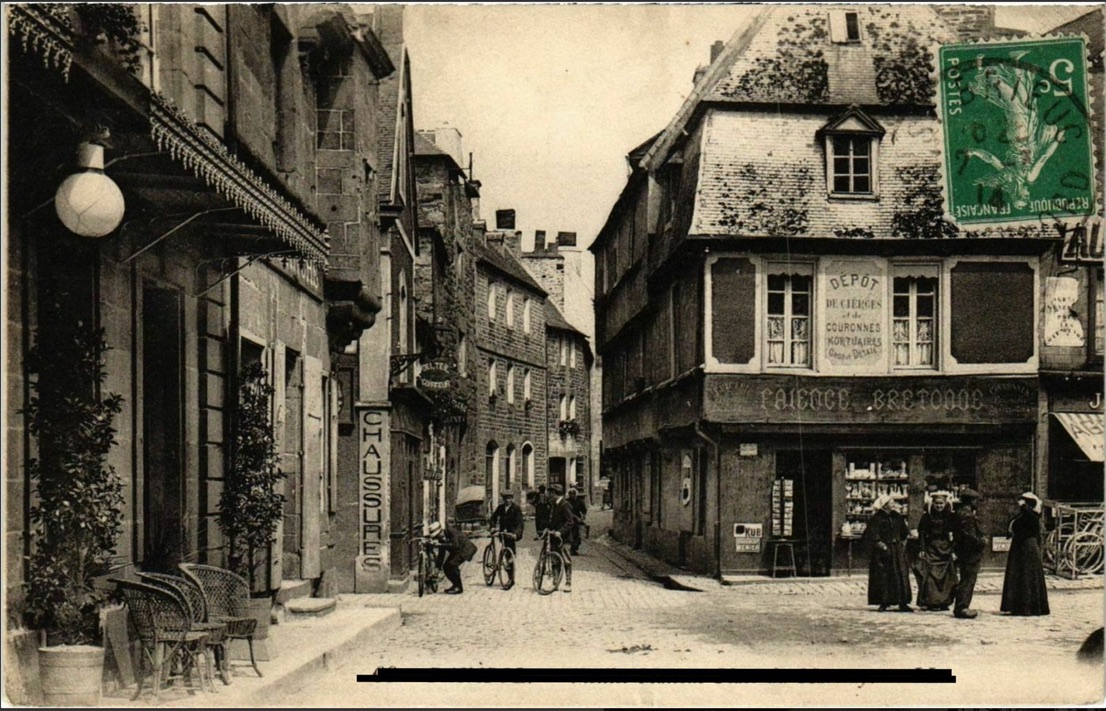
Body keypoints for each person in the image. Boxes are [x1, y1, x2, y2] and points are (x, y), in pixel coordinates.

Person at [1000, 492, 1050, 616]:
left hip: (1027, 548)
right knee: (1022, 575)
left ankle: (1027, 607)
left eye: (1023, 502)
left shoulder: (1031, 516)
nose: (1020, 503)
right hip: (1021, 547)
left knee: (1027, 575)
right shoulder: (1025, 515)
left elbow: (1021, 526)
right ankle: (1020, 606)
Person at [864, 494, 913, 612]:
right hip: (883, 551)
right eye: (891, 503)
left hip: (897, 549)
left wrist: (902, 544)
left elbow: (904, 532)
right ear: (885, 505)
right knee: (884, 576)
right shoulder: (877, 518)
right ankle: (884, 602)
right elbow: (872, 535)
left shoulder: (897, 516)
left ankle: (903, 602)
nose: (894, 504)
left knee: (901, 575)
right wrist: (883, 546)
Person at [915, 490, 958, 611]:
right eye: (937, 503)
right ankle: (931, 601)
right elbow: (922, 534)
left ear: (945, 503)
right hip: (931, 547)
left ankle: (944, 602)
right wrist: (922, 549)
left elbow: (956, 534)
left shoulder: (951, 516)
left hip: (945, 547)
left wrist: (954, 550)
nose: (939, 506)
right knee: (930, 576)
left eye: (941, 503)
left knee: (946, 577)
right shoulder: (926, 517)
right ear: (932, 503)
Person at [952, 488, 986, 619]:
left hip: (963, 551)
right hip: (969, 553)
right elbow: (970, 536)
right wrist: (982, 541)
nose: (977, 502)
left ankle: (961, 606)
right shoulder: (967, 515)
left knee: (965, 579)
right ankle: (962, 607)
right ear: (971, 500)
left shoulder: (959, 513)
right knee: (968, 580)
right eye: (975, 500)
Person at [428, 520, 477, 595]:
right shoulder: (441, 538)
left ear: (441, 531)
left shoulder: (451, 531)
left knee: (452, 564)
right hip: (457, 551)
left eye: (437, 535)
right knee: (446, 566)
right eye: (435, 537)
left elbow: (455, 545)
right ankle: (454, 585)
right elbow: (441, 554)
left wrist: (440, 545)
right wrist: (438, 566)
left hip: (466, 549)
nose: (437, 538)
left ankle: (459, 587)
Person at [489, 489, 525, 587]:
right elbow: (493, 518)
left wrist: (516, 534)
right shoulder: (500, 508)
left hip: (511, 535)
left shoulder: (516, 508)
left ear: (512, 499)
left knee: (510, 557)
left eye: (509, 498)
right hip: (502, 533)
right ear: (503, 499)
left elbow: (520, 523)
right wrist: (492, 527)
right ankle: (501, 566)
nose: (507, 500)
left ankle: (511, 579)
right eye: (505, 498)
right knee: (505, 554)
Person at [546, 484, 575, 593]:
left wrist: (560, 532)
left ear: (555, 493)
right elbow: (552, 520)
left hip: (564, 539)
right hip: (554, 537)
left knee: (566, 561)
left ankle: (568, 583)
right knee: (554, 561)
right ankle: (555, 583)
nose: (549, 496)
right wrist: (547, 529)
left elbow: (570, 522)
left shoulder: (565, 504)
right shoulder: (553, 504)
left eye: (551, 493)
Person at [568, 488, 588, 555]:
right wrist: (576, 517)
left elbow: (584, 510)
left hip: (578, 521)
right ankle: (571, 548)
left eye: (573, 494)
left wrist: (583, 516)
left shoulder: (579, 501)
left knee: (578, 535)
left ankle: (575, 548)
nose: (572, 496)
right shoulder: (568, 502)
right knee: (572, 534)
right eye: (570, 494)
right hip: (569, 519)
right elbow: (569, 512)